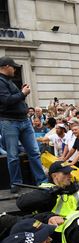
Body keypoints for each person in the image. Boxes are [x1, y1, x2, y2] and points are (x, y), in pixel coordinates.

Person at [0, 56, 47, 192]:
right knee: (13, 156)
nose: (15, 69)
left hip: (23, 121)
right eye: (13, 67)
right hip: (10, 122)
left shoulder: (8, 81)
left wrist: (21, 93)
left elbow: (13, 99)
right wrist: (23, 93)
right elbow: (6, 100)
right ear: (6, 67)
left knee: (34, 152)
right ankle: (17, 183)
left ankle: (41, 181)